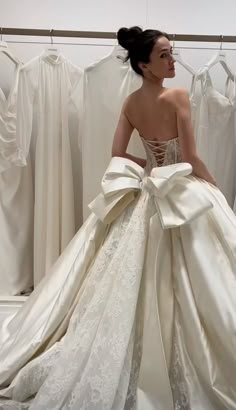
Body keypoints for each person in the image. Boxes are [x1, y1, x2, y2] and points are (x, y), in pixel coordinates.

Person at [0, 26, 236, 410]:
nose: (172, 60)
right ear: (144, 63)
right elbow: (191, 158)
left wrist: (149, 169)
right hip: (182, 192)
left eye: (171, 52)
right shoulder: (177, 96)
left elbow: (116, 151)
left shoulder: (130, 102)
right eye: (163, 55)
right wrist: (212, 186)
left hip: (147, 193)